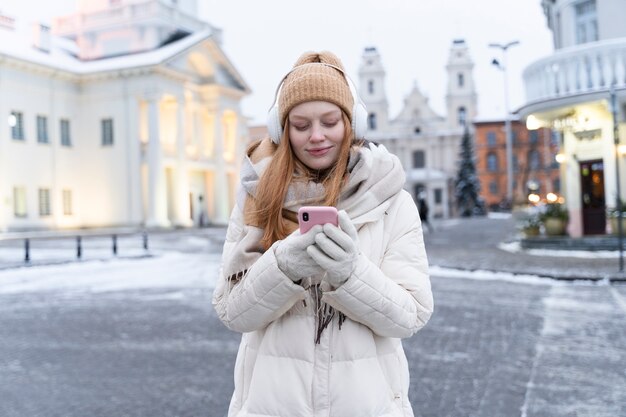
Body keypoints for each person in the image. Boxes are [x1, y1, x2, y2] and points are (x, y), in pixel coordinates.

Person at [212, 50, 433, 417]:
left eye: (330, 121)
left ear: (352, 123)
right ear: (281, 129)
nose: (317, 137)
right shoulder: (256, 198)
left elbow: (411, 316)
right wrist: (282, 266)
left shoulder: (392, 201)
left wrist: (351, 272)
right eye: (301, 126)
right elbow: (233, 313)